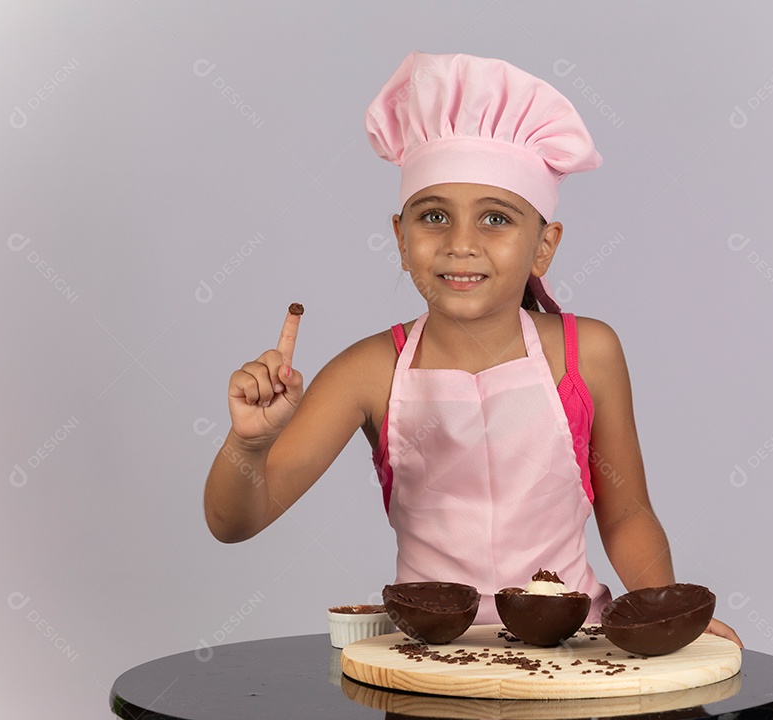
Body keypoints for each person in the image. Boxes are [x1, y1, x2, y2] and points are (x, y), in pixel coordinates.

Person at [203, 51, 742, 647]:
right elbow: (237, 522)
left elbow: (627, 514)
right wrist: (248, 444)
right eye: (434, 216)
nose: (461, 244)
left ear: (544, 246)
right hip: (430, 660)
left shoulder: (588, 353)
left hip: (572, 651)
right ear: (400, 239)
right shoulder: (369, 371)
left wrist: (660, 612)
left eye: (496, 220)